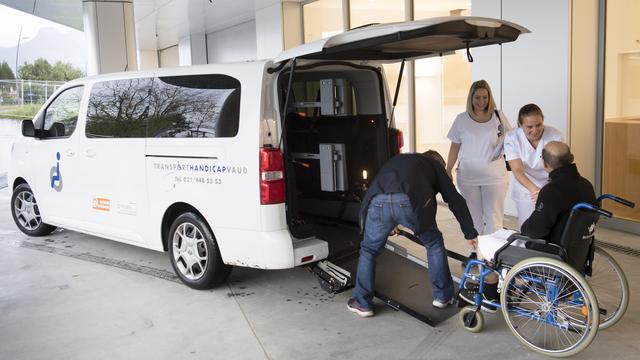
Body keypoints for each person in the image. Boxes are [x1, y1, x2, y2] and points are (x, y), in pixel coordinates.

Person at [460, 141, 596, 311]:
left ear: (545, 164)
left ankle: (489, 295)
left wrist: (527, 226)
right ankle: (503, 286)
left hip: (549, 252)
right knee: (502, 233)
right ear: (572, 159)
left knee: (484, 242)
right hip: (576, 251)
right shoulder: (587, 186)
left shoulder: (552, 190)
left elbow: (534, 231)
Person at [347, 151, 478, 318]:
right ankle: (442, 296)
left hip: (378, 201)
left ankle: (362, 303)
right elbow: (455, 199)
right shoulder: (435, 166)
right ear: (438, 162)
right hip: (410, 202)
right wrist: (469, 232)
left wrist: (388, 223)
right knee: (434, 244)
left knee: (369, 250)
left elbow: (384, 190)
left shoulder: (401, 160)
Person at [446, 80, 512, 240]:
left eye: (485, 97)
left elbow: (511, 140)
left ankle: (492, 256)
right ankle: (476, 253)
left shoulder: (498, 116)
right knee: (473, 218)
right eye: (477, 97)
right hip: (468, 177)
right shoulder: (461, 119)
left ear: (489, 97)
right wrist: (448, 170)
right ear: (471, 98)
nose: (481, 102)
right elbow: (454, 147)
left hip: (495, 177)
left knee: (494, 218)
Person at [504, 104, 563, 227]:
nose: (535, 130)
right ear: (520, 125)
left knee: (552, 227)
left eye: (538, 125)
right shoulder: (512, 138)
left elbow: (559, 168)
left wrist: (548, 192)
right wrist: (536, 191)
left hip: (551, 186)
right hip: (526, 189)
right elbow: (518, 170)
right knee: (528, 228)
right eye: (529, 126)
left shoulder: (555, 135)